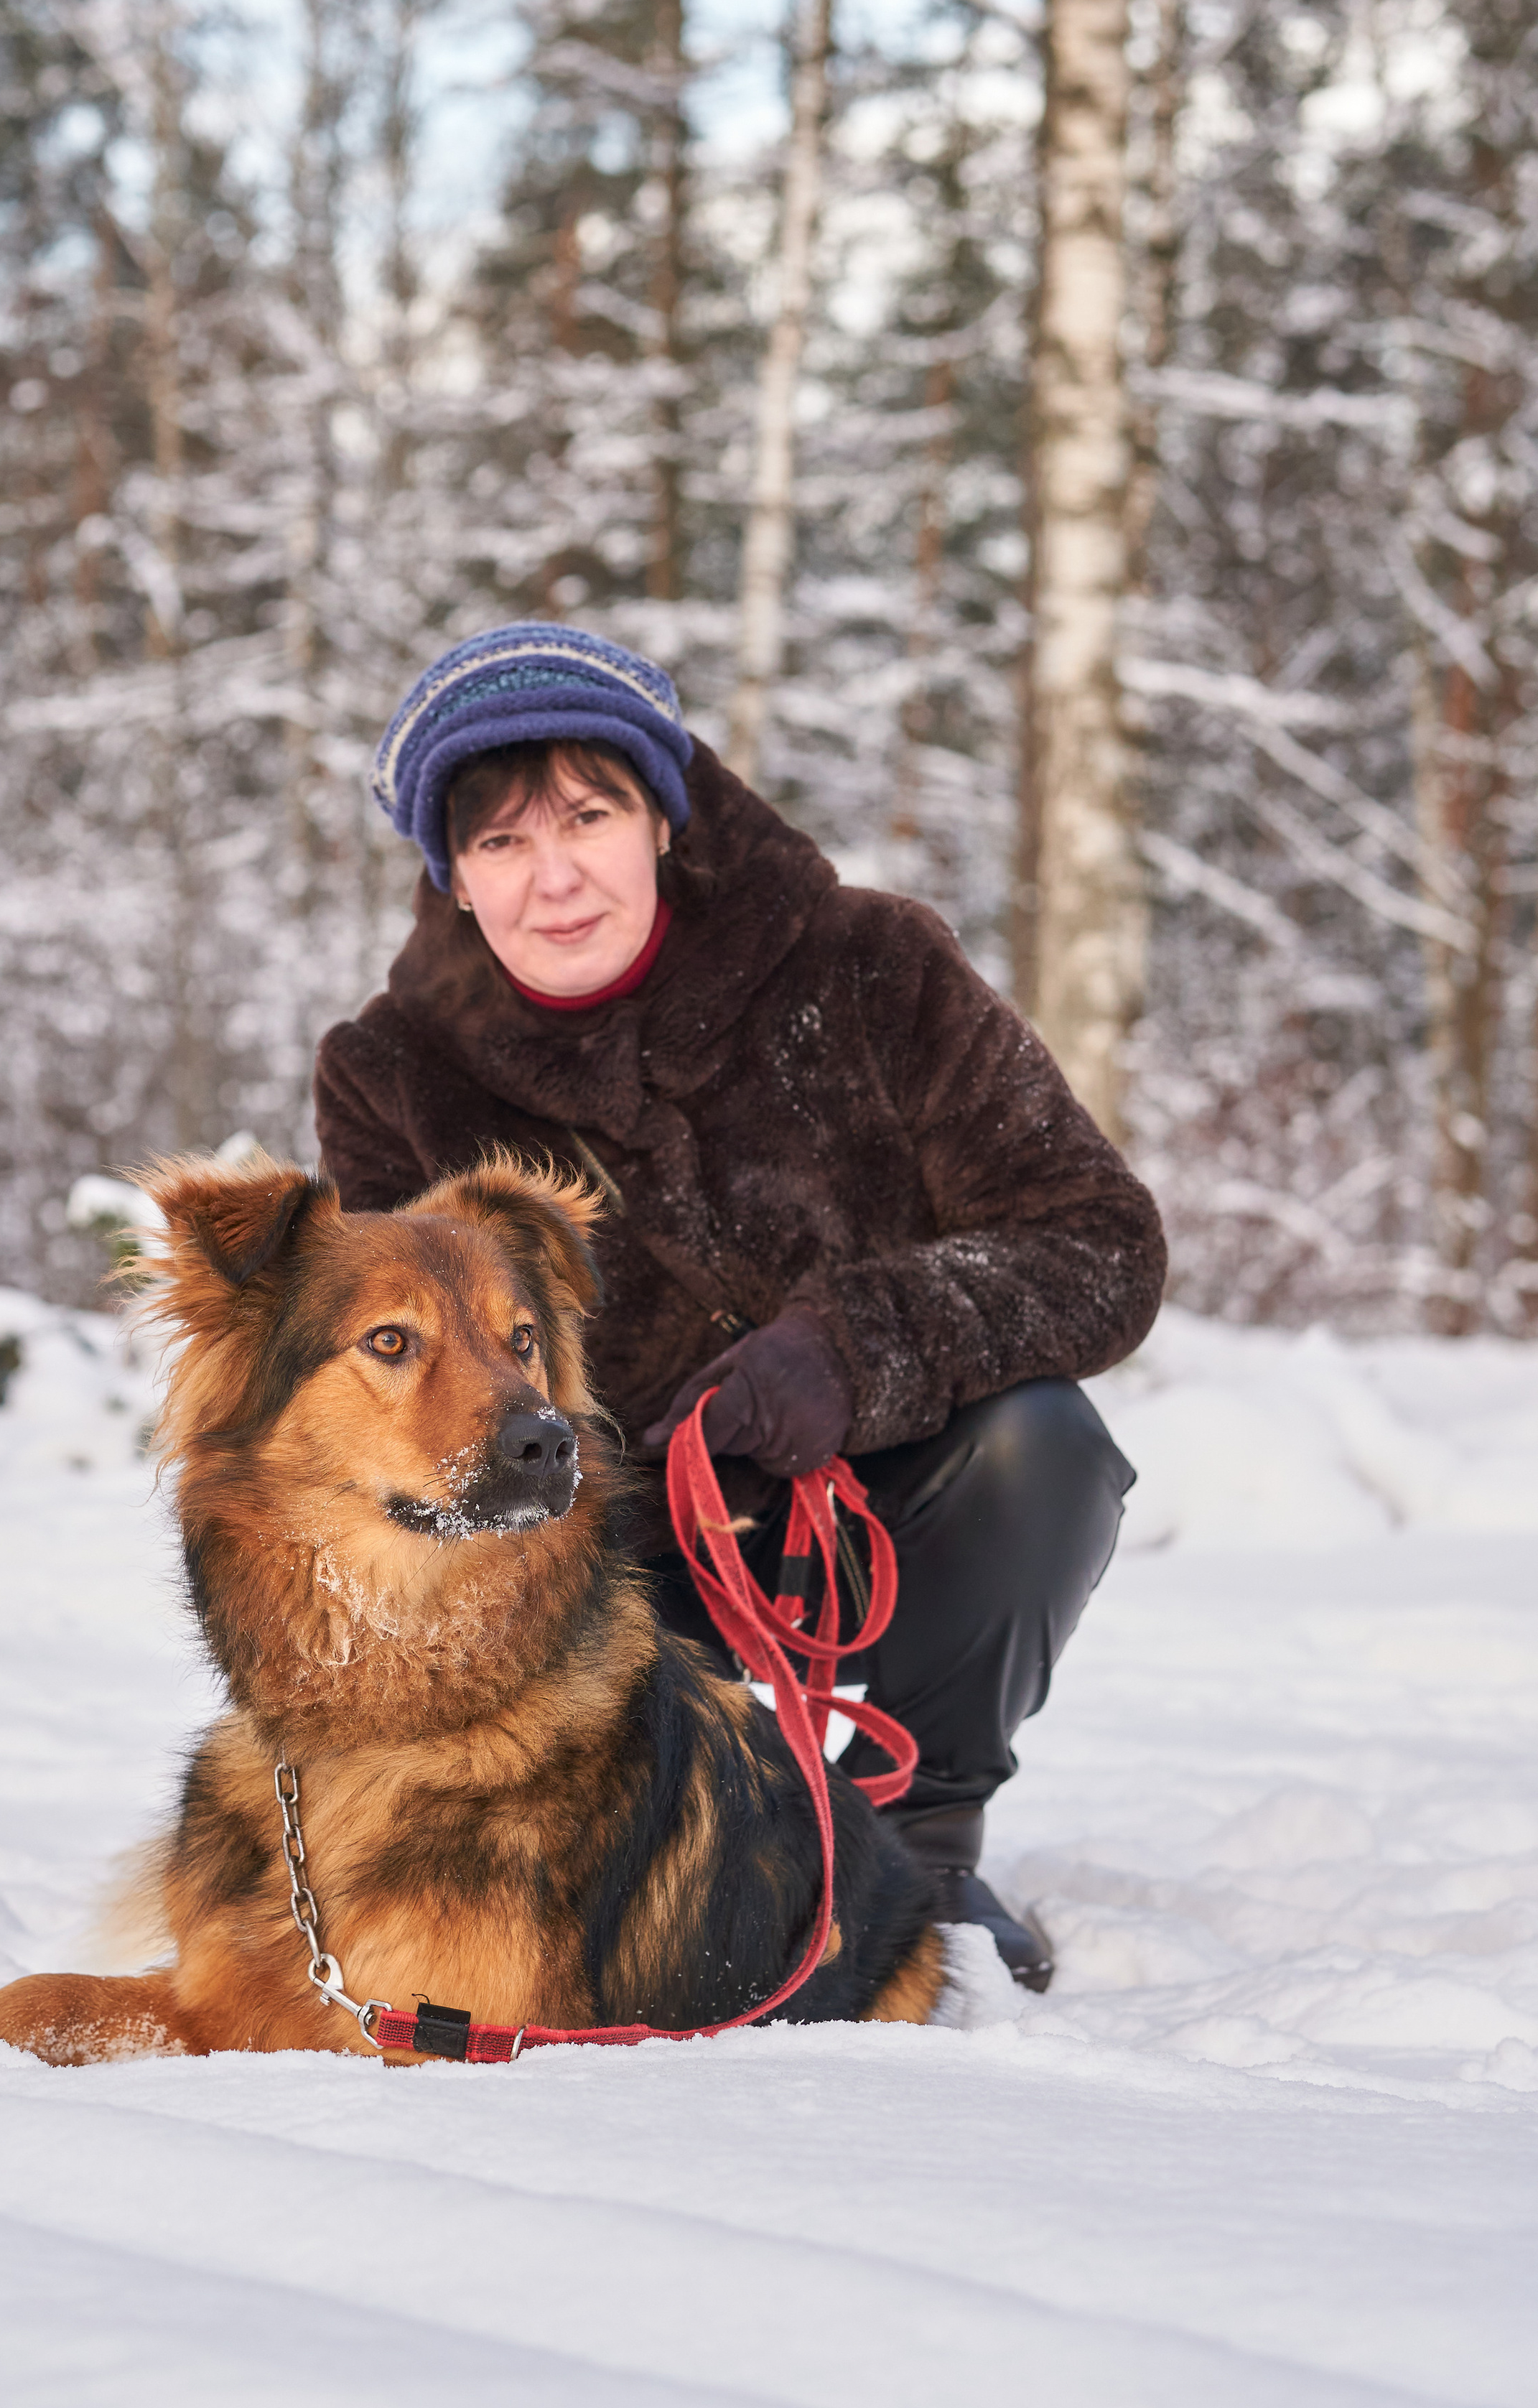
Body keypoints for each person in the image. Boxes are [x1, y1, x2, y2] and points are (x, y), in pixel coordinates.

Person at [314, 623, 1165, 1990]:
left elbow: (1102, 1242)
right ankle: (610, 1848)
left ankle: (927, 1844)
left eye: (589, 817)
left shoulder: (877, 967)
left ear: (664, 816)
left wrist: (854, 1349)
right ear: (453, 880)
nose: (554, 879)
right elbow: (405, 1384)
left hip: (884, 1504)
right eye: (499, 845)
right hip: (599, 1538)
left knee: (1040, 1447)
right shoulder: (389, 1075)